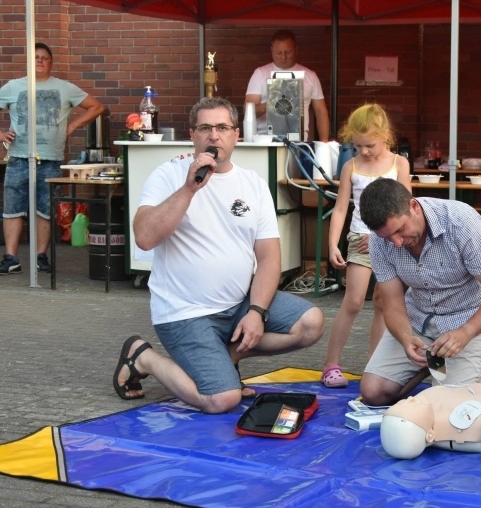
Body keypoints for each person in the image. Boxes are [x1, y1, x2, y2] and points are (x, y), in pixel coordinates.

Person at [112, 97, 324, 413]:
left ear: (236, 135)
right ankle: (143, 357)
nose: (214, 135)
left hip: (238, 305)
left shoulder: (253, 184)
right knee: (222, 400)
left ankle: (224, 357)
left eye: (223, 127)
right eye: (205, 128)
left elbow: (269, 257)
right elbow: (144, 238)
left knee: (311, 323)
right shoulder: (168, 175)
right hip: (185, 313)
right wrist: (189, 189)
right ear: (192, 135)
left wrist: (257, 312)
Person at [357, 178, 481, 407]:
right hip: (419, 318)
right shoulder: (379, 242)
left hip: (468, 317)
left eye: (400, 230)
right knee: (373, 392)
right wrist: (405, 337)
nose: (397, 243)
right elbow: (391, 304)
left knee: (452, 406)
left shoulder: (462, 223)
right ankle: (432, 363)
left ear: (414, 206)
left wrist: (466, 332)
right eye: (387, 237)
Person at [320, 104, 412, 388]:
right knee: (354, 301)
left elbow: (406, 207)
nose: (364, 151)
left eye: (369, 145)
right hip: (360, 239)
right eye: (357, 146)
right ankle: (331, 364)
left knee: (384, 304)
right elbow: (340, 209)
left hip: (391, 241)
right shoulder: (352, 166)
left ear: (384, 135)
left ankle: (375, 365)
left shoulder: (399, 164)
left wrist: (384, 236)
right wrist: (333, 244)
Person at [0, 42, 104, 275]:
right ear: (29, 61)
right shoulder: (13, 87)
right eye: (35, 57)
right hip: (18, 157)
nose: (40, 61)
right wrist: (1, 134)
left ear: (51, 62)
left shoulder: (64, 88)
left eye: (44, 58)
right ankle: (11, 258)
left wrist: (73, 125)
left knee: (44, 210)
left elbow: (96, 107)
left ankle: (41, 256)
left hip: (50, 159)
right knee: (12, 209)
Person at [380, 384, 481, 459]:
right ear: (429, 435)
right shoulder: (466, 423)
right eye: (410, 405)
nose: (409, 399)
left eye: (402, 403)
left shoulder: (427, 397)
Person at [244, 29, 330, 141]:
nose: (283, 57)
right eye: (278, 53)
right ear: (271, 50)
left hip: (298, 140)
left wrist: (324, 142)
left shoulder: (310, 76)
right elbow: (247, 109)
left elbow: (320, 111)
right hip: (265, 140)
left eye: (288, 52)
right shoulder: (260, 74)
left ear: (296, 50)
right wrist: (271, 104)